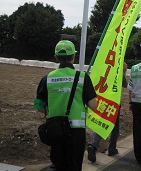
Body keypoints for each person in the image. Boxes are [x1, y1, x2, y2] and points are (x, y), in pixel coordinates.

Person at [34, 40, 97, 171]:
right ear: (73, 56)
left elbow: (39, 106)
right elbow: (93, 105)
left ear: (56, 58)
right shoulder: (82, 77)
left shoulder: (47, 78)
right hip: (76, 131)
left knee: (59, 165)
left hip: (55, 129)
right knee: (73, 166)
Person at [87, 62, 128, 162]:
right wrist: (123, 71)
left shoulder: (103, 67)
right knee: (115, 127)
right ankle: (112, 148)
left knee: (102, 124)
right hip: (113, 104)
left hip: (102, 101)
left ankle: (93, 145)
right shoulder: (119, 70)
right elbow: (125, 85)